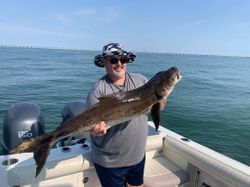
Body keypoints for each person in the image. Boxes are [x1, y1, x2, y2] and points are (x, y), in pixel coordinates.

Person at [85, 43, 148, 187]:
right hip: (111, 163)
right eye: (113, 60)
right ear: (105, 62)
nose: (119, 64)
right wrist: (95, 131)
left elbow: (159, 106)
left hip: (138, 157)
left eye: (123, 60)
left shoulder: (141, 81)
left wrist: (162, 97)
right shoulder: (98, 91)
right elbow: (92, 128)